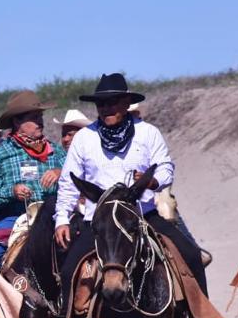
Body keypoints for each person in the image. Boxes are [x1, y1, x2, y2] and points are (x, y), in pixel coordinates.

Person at [53, 74, 206, 293]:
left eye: (113, 102)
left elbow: (165, 167)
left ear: (126, 104)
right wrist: (61, 219)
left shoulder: (148, 133)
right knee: (69, 271)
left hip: (142, 215)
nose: (106, 108)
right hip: (99, 220)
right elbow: (69, 182)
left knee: (191, 255)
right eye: (101, 104)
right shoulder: (84, 138)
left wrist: (154, 181)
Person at [0, 90, 66, 268]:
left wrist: (60, 172)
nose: (40, 121)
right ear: (17, 121)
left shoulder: (56, 151)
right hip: (15, 218)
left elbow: (76, 179)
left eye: (40, 116)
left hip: (55, 214)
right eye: (34, 117)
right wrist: (11, 192)